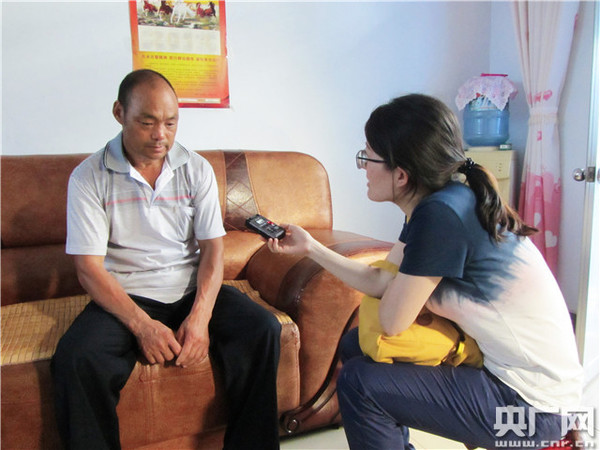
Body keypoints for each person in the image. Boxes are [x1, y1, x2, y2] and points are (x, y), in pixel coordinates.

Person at [267, 94, 583, 449]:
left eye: (367, 157)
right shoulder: (443, 199)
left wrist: (401, 290)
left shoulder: (441, 215)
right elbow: (381, 280)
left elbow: (392, 320)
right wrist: (311, 247)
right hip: (515, 383)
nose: (363, 168)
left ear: (401, 174)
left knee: (360, 382)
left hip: (531, 409)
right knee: (357, 345)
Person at [51, 69, 281, 450]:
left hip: (189, 289)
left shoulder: (195, 169)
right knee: (76, 359)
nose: (161, 135)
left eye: (171, 123)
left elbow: (213, 249)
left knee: (262, 329)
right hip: (127, 296)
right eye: (147, 122)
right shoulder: (89, 177)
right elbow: (88, 269)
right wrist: (142, 326)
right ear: (119, 113)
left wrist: (200, 317)